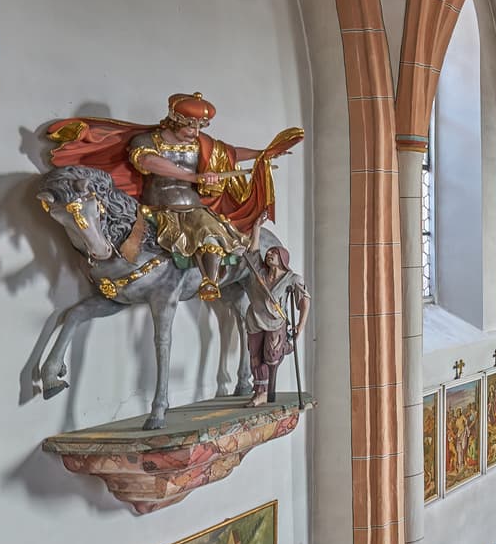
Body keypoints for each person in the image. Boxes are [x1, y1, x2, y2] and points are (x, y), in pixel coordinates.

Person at [45, 93, 303, 302]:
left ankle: (209, 281)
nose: (194, 131)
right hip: (155, 207)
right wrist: (194, 178)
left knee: (210, 232)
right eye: (190, 125)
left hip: (192, 208)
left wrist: (262, 154)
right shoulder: (146, 140)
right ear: (175, 119)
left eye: (199, 126)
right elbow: (148, 161)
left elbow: (231, 153)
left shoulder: (201, 144)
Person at [242, 244, 310, 405]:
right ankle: (260, 393)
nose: (269, 254)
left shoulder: (292, 278)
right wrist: (256, 225)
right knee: (255, 358)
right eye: (269, 253)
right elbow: (252, 252)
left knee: (271, 357)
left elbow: (305, 302)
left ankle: (268, 391)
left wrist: (300, 326)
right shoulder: (261, 273)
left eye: (274, 252)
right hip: (254, 319)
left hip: (275, 322)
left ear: (283, 258)